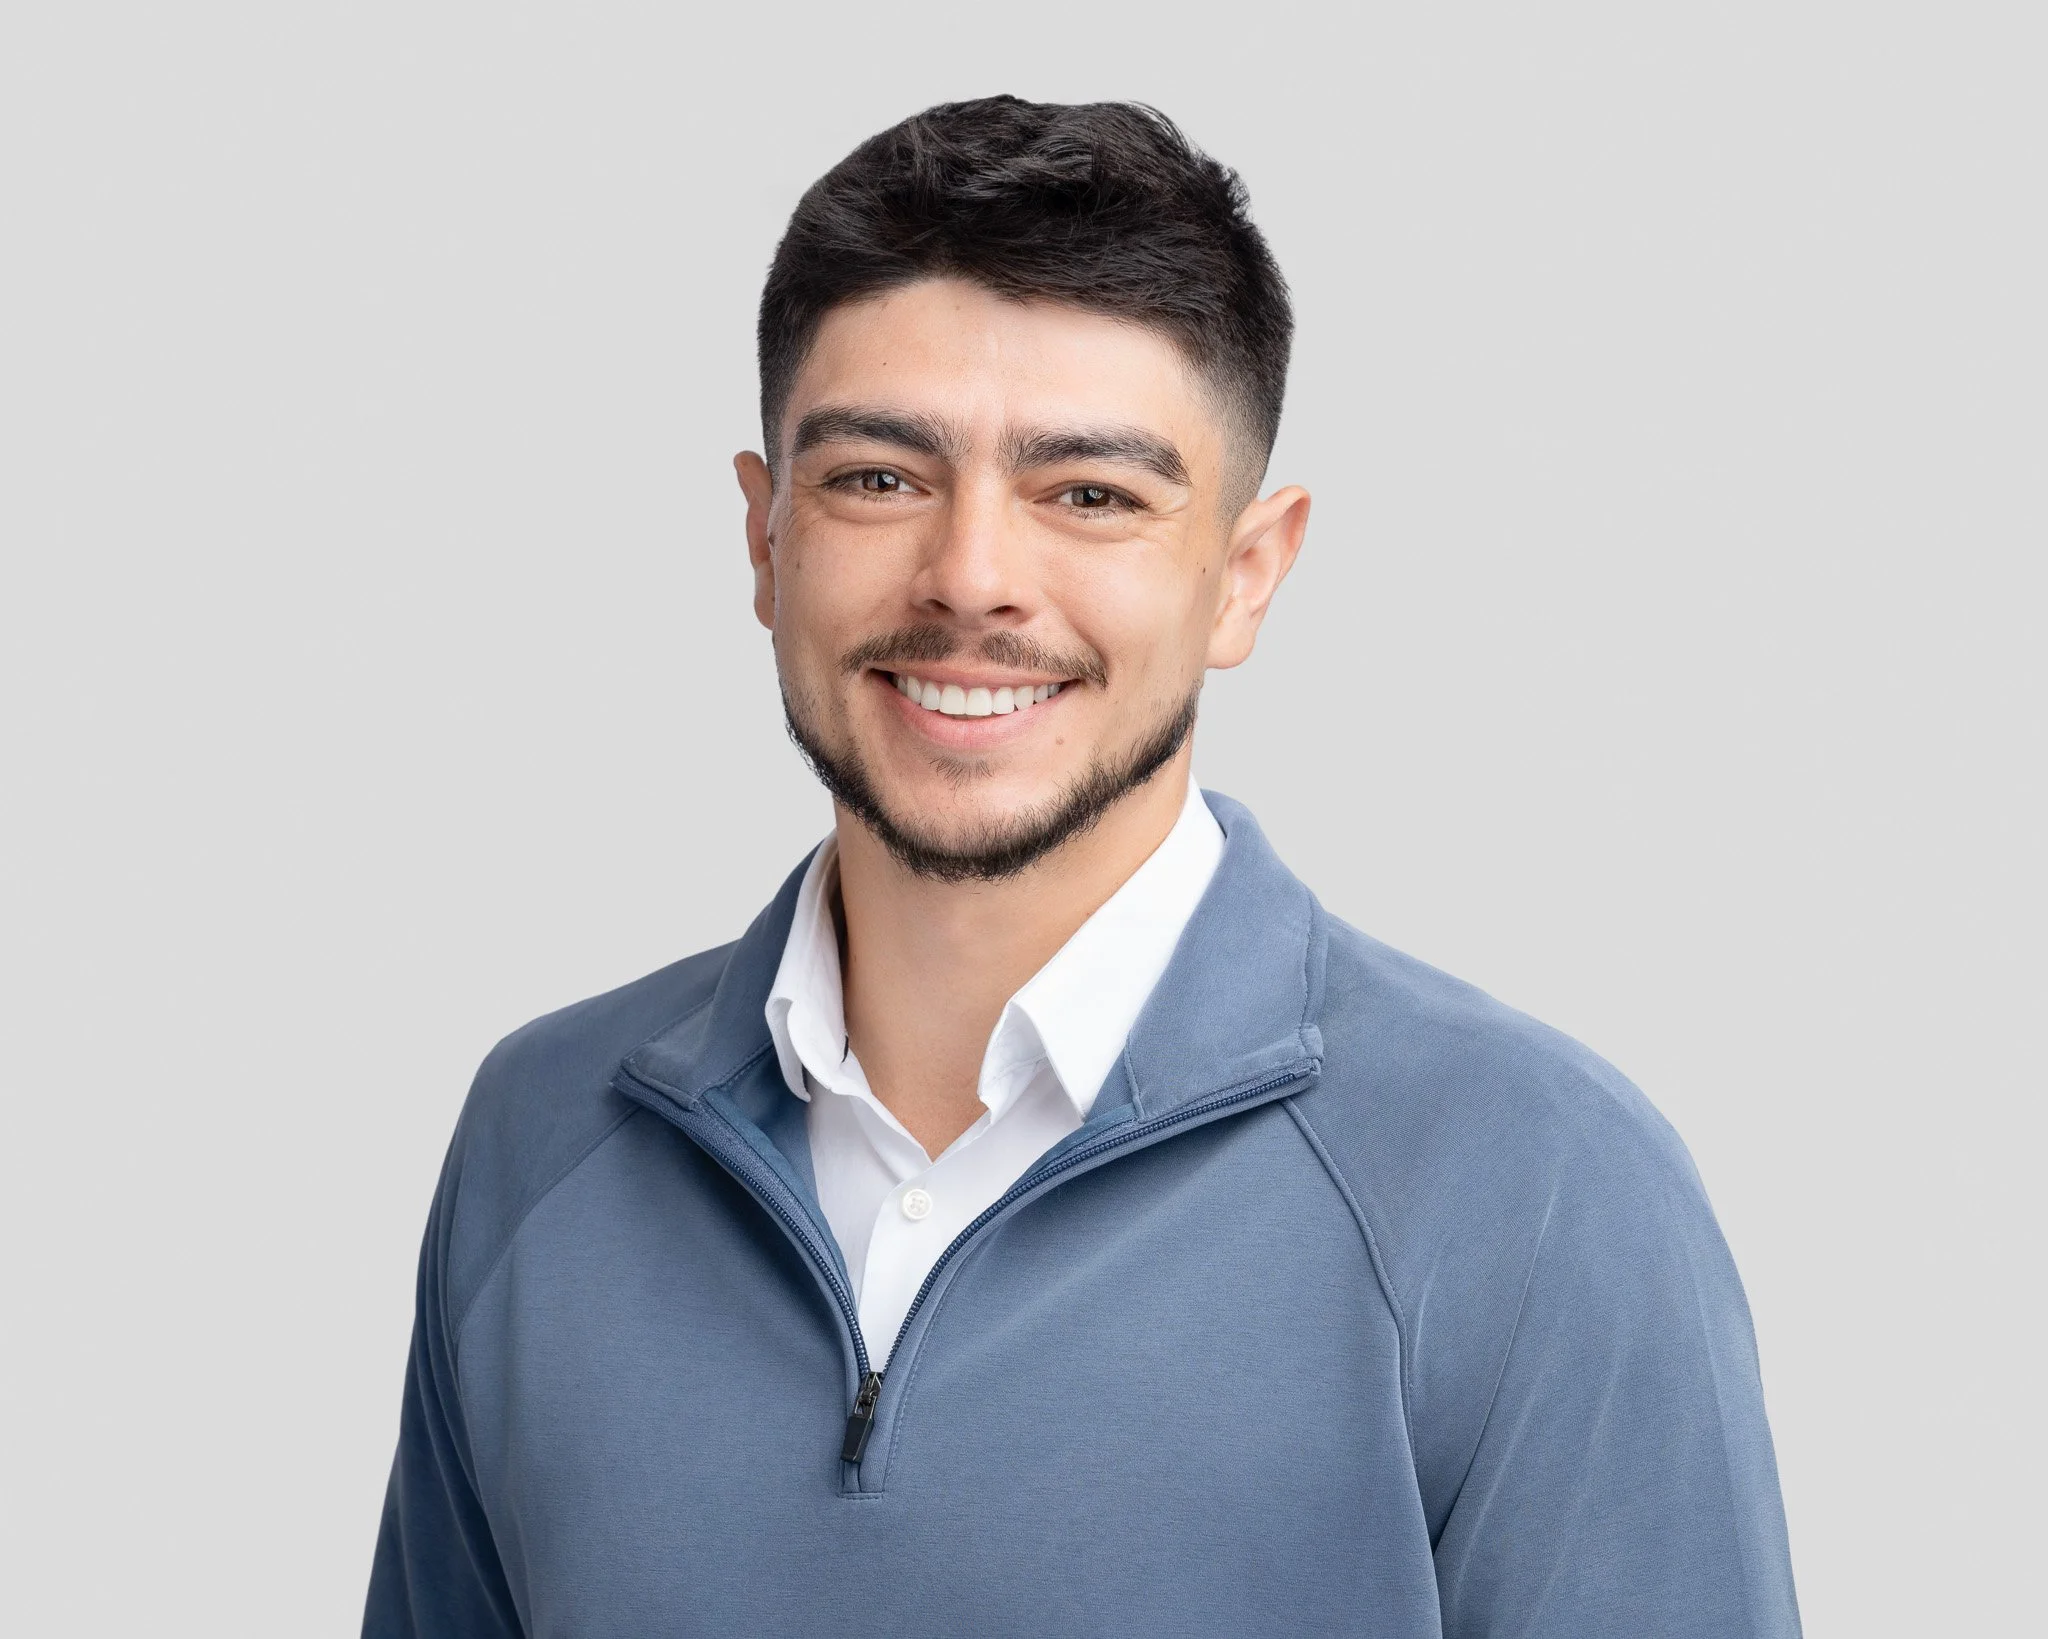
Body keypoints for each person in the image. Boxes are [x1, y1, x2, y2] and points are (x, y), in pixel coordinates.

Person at [364, 95, 1800, 1637]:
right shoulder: (541, 1138)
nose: (974, 574)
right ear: (764, 539)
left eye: (1092, 495)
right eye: (878, 478)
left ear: (1247, 575)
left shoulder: (1535, 1187)